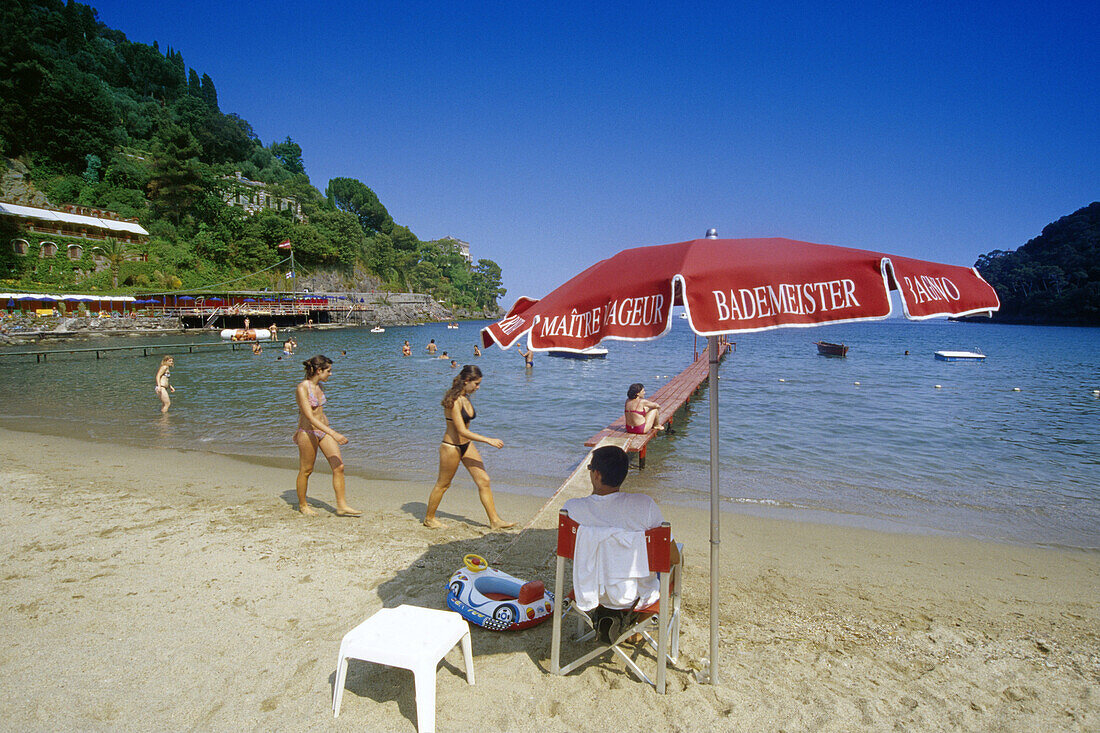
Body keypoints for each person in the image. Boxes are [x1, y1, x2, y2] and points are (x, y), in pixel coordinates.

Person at [562, 445, 679, 641]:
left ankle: (611, 618)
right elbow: (674, 557)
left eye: (590, 468)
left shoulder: (572, 510)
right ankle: (640, 624)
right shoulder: (644, 505)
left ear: (597, 474)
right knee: (673, 563)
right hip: (637, 598)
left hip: (590, 593)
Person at [424, 365, 514, 530]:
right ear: (467, 381)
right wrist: (488, 440)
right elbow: (461, 430)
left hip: (466, 445)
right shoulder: (455, 400)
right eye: (476, 384)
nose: (478, 387)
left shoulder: (466, 397)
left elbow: (465, 432)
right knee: (443, 484)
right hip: (451, 447)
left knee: (484, 480)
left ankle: (495, 521)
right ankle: (429, 518)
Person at [294, 354, 360, 517]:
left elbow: (319, 413)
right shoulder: (302, 387)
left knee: (339, 466)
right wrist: (334, 433)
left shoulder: (320, 387)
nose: (330, 374)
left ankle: (342, 505)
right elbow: (309, 416)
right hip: (308, 433)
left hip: (324, 431)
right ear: (318, 370)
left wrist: (329, 431)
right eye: (328, 371)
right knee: (306, 470)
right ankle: (303, 505)